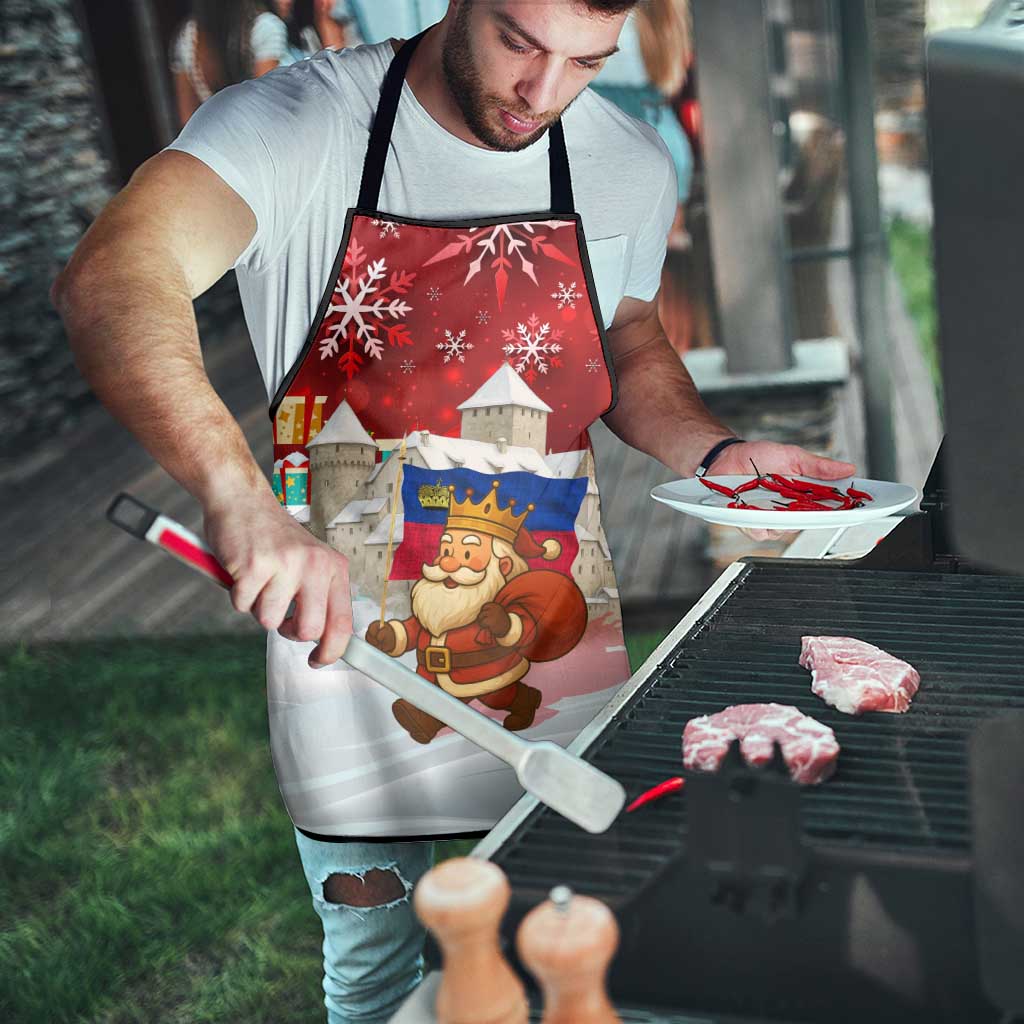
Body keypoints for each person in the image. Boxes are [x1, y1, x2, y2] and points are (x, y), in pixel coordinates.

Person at [53, 2, 856, 1020]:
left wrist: (717, 448)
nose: (543, 93)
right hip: (346, 657)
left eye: (586, 62)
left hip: (553, 642)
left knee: (564, 954)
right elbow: (113, 275)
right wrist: (237, 497)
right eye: (521, 43)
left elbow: (629, 338)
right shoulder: (297, 124)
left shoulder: (624, 160)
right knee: (378, 975)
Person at [170, 0, 289, 126]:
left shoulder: (188, 37)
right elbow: (266, 107)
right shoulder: (266, 27)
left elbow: (188, 121)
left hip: (215, 139)